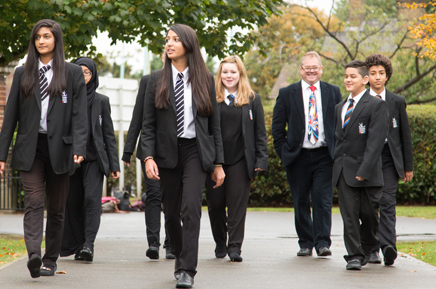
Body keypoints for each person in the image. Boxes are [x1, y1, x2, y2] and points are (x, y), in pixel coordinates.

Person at [0, 19, 87, 278]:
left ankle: (50, 259)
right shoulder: (23, 73)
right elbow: (11, 115)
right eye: (37, 37)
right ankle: (33, 254)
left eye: (46, 36)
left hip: (62, 149)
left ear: (56, 39)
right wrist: (1, 154)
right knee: (34, 201)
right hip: (30, 148)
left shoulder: (72, 73)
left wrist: (80, 146)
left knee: (57, 209)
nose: (41, 41)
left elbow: (80, 115)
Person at [141, 24, 225, 288]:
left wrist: (218, 163)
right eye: (167, 39)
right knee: (172, 212)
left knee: (191, 209)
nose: (170, 44)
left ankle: (188, 269)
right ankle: (179, 256)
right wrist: (148, 157)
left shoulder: (205, 79)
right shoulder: (155, 79)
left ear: (188, 44)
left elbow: (215, 126)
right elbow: (148, 124)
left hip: (194, 151)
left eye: (176, 39)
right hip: (166, 153)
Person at [271, 51, 342, 257]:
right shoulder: (287, 93)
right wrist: (284, 153)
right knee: (300, 200)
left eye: (315, 67)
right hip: (298, 156)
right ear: (301, 70)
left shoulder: (333, 91)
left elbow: (339, 125)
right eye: (307, 67)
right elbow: (277, 128)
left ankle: (322, 243)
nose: (311, 71)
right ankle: (305, 242)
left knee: (323, 200)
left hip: (324, 156)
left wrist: (337, 151)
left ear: (321, 69)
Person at [206, 55, 268, 262]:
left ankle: (234, 247)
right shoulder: (210, 99)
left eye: (233, 72)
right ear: (219, 75)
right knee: (215, 205)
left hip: (241, 162)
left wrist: (261, 160)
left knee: (237, 206)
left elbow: (260, 132)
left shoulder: (252, 99)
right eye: (225, 72)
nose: (228, 76)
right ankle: (220, 242)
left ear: (240, 74)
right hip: (215, 162)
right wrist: (215, 163)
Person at [60, 57, 120, 262]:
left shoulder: (101, 101)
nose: (83, 75)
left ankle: (88, 244)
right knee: (73, 202)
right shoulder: (65, 99)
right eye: (79, 71)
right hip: (71, 160)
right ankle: (78, 244)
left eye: (87, 72)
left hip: (94, 161)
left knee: (92, 200)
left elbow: (108, 134)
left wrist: (114, 164)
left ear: (93, 75)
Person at [333, 60, 389, 270]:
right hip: (343, 172)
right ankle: (354, 255)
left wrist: (364, 170)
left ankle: (369, 246)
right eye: (346, 76)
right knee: (349, 217)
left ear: (365, 80)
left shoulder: (376, 105)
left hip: (368, 173)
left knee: (368, 215)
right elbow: (339, 141)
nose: (348, 79)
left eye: (353, 76)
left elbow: (375, 142)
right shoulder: (340, 107)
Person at [364, 54, 414, 266]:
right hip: (367, 159)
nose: (377, 77)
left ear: (387, 76)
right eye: (373, 73)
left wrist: (408, 166)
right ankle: (372, 247)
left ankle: (388, 247)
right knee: (369, 205)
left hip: (389, 159)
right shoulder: (359, 101)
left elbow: (405, 136)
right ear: (366, 77)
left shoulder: (396, 101)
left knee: (387, 202)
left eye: (381, 73)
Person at [122, 72, 174, 260]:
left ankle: (171, 243)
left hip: (175, 150)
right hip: (151, 150)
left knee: (172, 199)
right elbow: (138, 116)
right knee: (153, 195)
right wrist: (128, 150)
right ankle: (153, 243)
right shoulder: (149, 80)